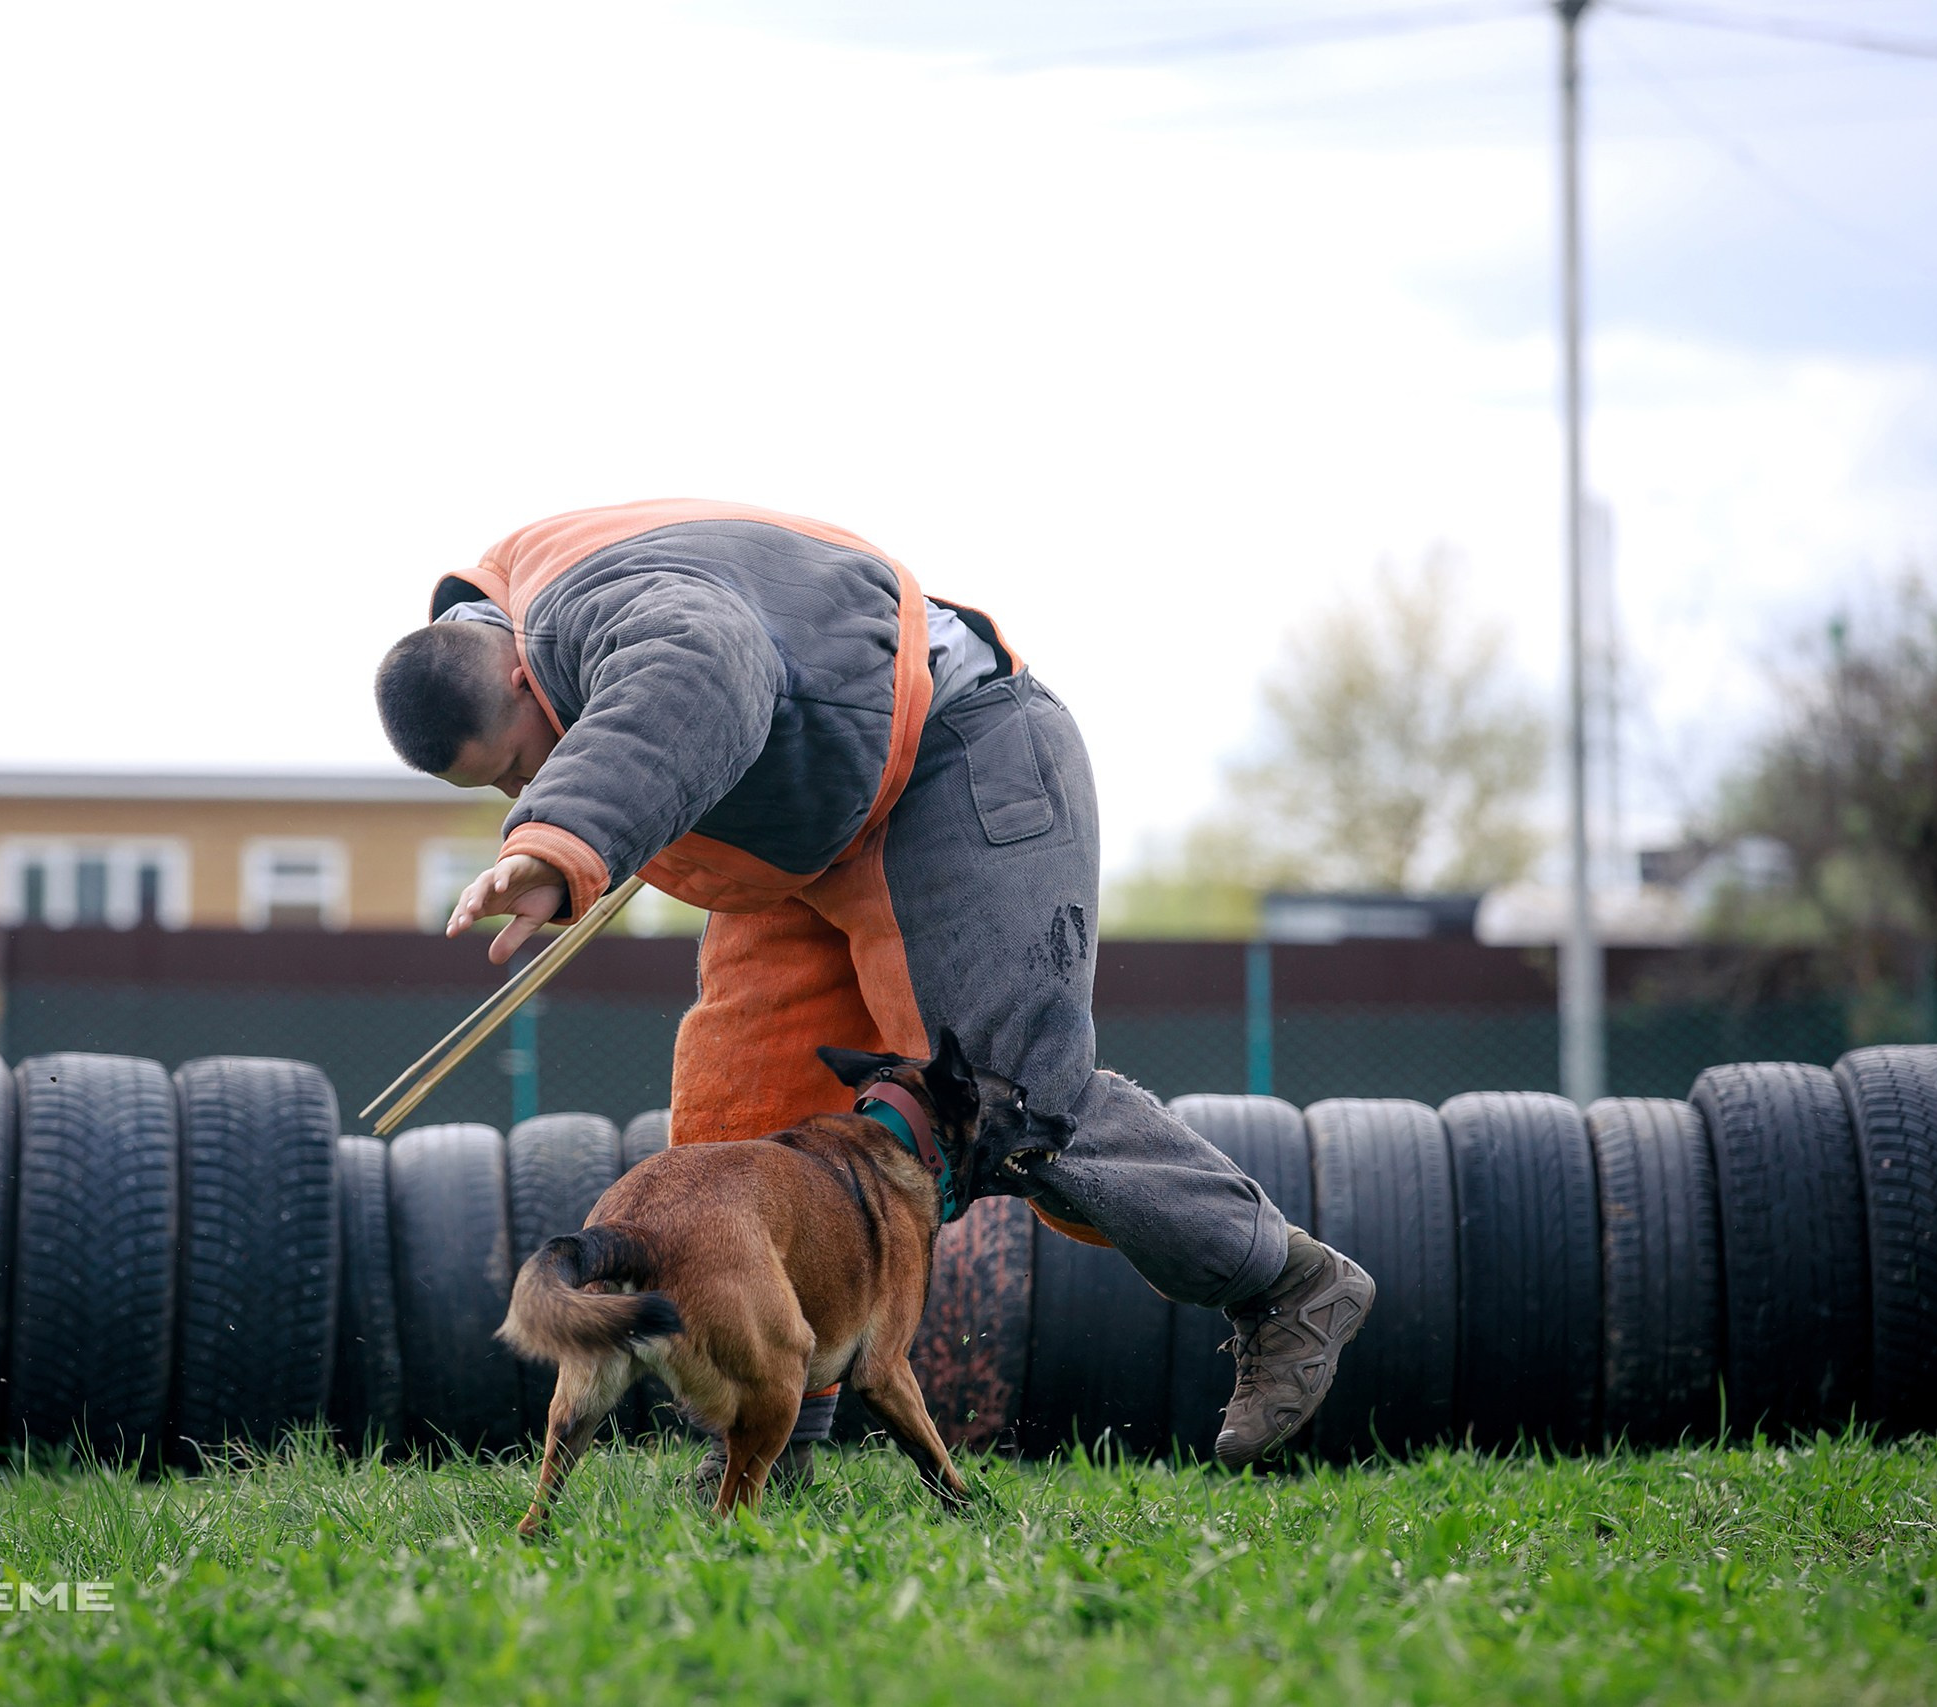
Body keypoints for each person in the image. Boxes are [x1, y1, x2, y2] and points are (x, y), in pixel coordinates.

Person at [375, 498, 1374, 1477]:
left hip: (956, 755)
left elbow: (699, 665)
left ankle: (1282, 1281)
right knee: (740, 1137)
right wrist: (568, 818)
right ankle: (776, 1440)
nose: (525, 789)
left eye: (519, 766)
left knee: (1002, 1104)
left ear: (516, 669)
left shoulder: (601, 606)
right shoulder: (528, 621)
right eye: (503, 792)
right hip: (801, 845)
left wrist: (559, 839)